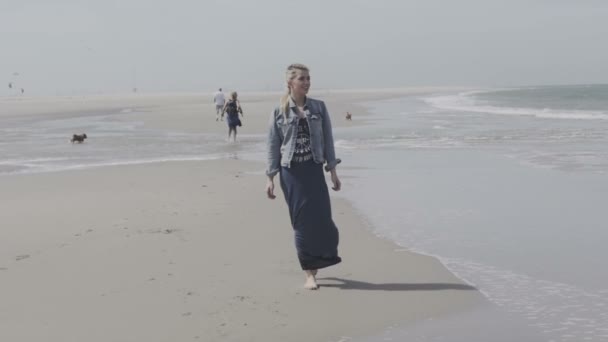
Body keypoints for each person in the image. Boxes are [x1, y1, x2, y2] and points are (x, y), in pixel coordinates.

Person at [265, 63, 342, 290]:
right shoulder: (279, 111)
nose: (307, 83)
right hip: (291, 173)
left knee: (323, 223)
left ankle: (318, 261)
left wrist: (333, 172)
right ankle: (310, 274)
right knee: (301, 224)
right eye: (302, 79)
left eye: (309, 79)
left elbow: (328, 140)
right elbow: (272, 145)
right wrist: (270, 177)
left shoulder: (319, 108)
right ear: (291, 83)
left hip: (314, 171)